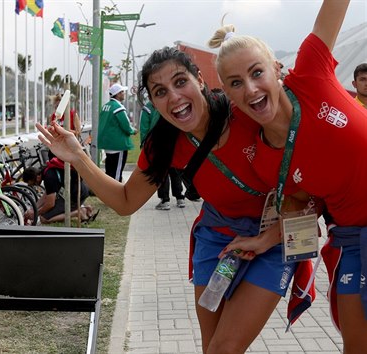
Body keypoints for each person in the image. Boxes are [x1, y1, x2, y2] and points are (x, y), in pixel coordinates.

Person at [36, 46, 304, 353]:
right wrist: (78, 157)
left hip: (274, 237)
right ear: (153, 102)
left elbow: (306, 190)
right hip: (218, 242)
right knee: (213, 348)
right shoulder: (164, 142)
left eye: (180, 82)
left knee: (225, 348)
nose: (174, 97)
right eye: (160, 91)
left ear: (200, 80)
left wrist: (267, 239)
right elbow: (126, 201)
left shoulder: (245, 111)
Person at [210, 0, 367, 351]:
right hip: (356, 242)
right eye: (236, 83)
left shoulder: (312, 70)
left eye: (256, 73)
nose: (250, 89)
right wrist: (263, 240)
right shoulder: (267, 162)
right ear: (229, 95)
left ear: (276, 68)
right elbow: (303, 216)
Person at [139, 102, 186, 210]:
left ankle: (165, 200)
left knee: (162, 173)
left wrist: (144, 145)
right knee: (174, 170)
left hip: (157, 144)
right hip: (173, 142)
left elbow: (144, 128)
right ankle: (180, 197)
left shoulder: (148, 109)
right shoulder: (169, 104)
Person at [24, 157, 96, 224]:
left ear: (37, 177)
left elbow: (50, 204)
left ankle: (79, 212)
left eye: (34, 183)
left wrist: (35, 214)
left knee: (44, 219)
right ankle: (84, 208)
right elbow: (46, 195)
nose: (35, 185)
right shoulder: (47, 170)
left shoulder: (49, 178)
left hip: (76, 197)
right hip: (79, 191)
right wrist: (34, 209)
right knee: (45, 212)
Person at [98, 83, 136, 181]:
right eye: (122, 92)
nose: (124, 94)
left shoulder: (105, 107)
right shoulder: (118, 107)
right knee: (117, 174)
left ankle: (107, 193)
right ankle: (114, 194)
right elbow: (126, 125)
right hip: (118, 145)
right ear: (117, 94)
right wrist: (133, 131)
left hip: (107, 144)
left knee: (109, 172)